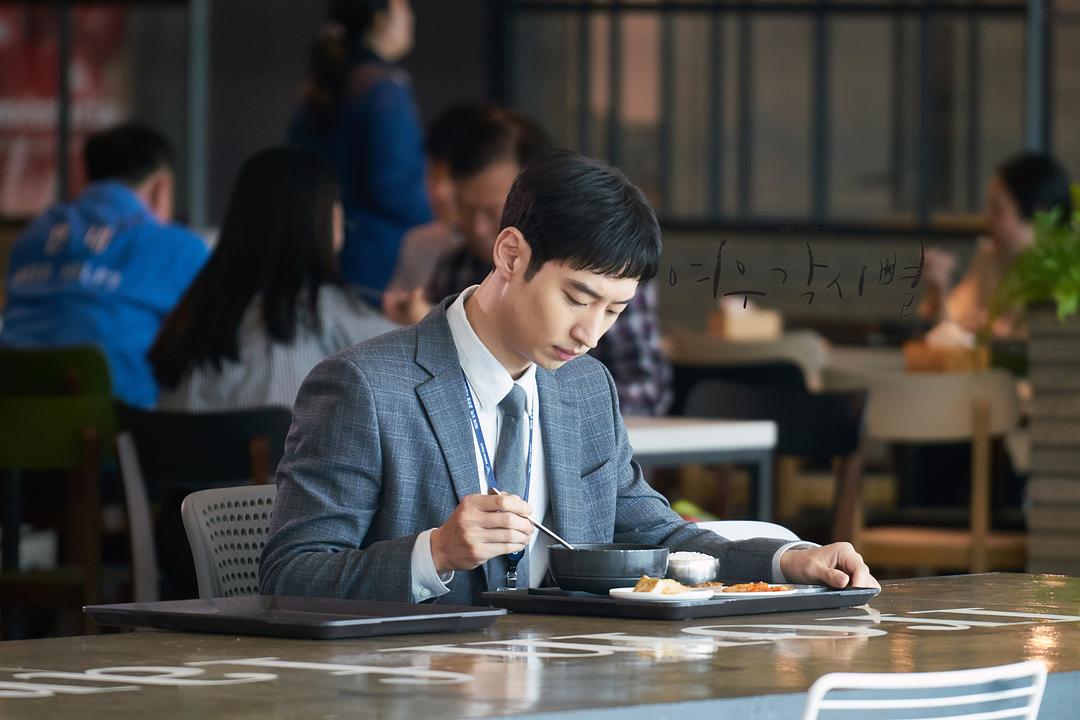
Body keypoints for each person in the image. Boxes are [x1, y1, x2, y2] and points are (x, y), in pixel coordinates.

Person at [259, 150, 877, 605]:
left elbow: (657, 535)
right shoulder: (364, 387)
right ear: (511, 254)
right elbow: (289, 576)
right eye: (577, 298)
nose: (590, 333)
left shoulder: (584, 389)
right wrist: (435, 553)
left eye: (614, 311)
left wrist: (788, 560)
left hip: (567, 679)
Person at [419, 106, 672, 416]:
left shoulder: (613, 270)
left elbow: (648, 387)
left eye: (491, 211)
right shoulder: (454, 265)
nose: (479, 228)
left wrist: (560, 406)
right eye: (468, 209)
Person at [149, 146, 398, 412]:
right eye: (335, 203)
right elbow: (409, 358)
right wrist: (414, 318)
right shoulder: (321, 308)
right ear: (323, 218)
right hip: (280, 439)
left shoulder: (194, 311)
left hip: (176, 440)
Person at [0, 122, 208, 408]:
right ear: (161, 187)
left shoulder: (32, 236)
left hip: (16, 419)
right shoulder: (178, 247)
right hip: (118, 426)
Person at [288, 0, 431, 293]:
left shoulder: (322, 83)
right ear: (380, 20)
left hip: (322, 247)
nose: (410, 17)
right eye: (403, 8)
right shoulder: (384, 88)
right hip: (380, 259)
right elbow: (396, 185)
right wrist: (447, 221)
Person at [920, 152, 1073, 339]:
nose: (987, 219)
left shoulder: (1068, 271)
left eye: (998, 210)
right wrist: (938, 291)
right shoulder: (990, 258)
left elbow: (1062, 339)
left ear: (1040, 215)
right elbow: (952, 329)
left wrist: (1005, 331)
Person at [381, 105, 482, 321]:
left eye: (453, 175)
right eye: (433, 173)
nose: (440, 192)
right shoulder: (418, 243)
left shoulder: (507, 251)